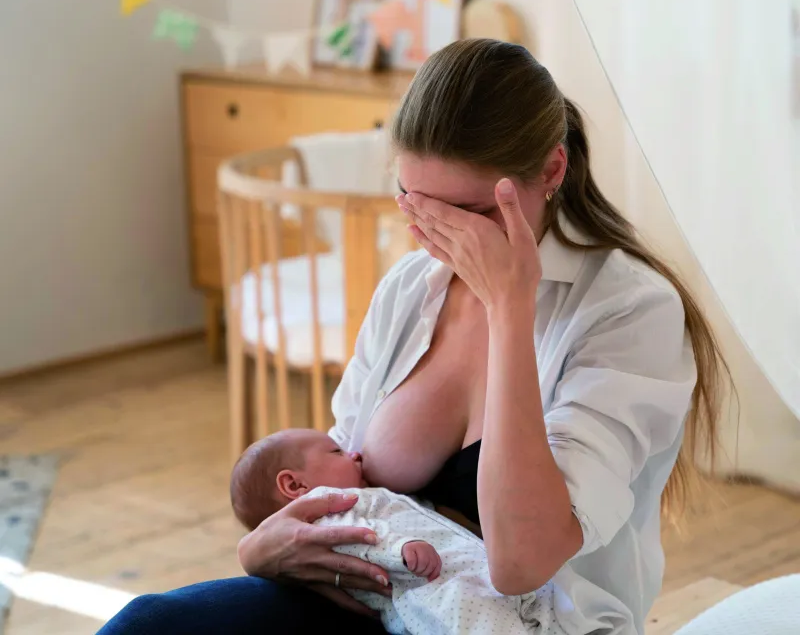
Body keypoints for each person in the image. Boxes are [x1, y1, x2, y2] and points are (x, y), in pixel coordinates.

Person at [99, 38, 729, 635]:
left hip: (524, 622)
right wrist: (260, 547)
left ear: (552, 170)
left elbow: (521, 563)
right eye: (414, 202)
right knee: (148, 624)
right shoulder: (413, 285)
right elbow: (340, 483)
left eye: (471, 215)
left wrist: (509, 308)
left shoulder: (630, 311)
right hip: (385, 599)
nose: (437, 238)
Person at [229, 428, 542, 635]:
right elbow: (359, 539)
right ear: (296, 485)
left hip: (467, 573)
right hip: (431, 592)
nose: (355, 454)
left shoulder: (357, 498)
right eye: (337, 452)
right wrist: (400, 551)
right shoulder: (324, 513)